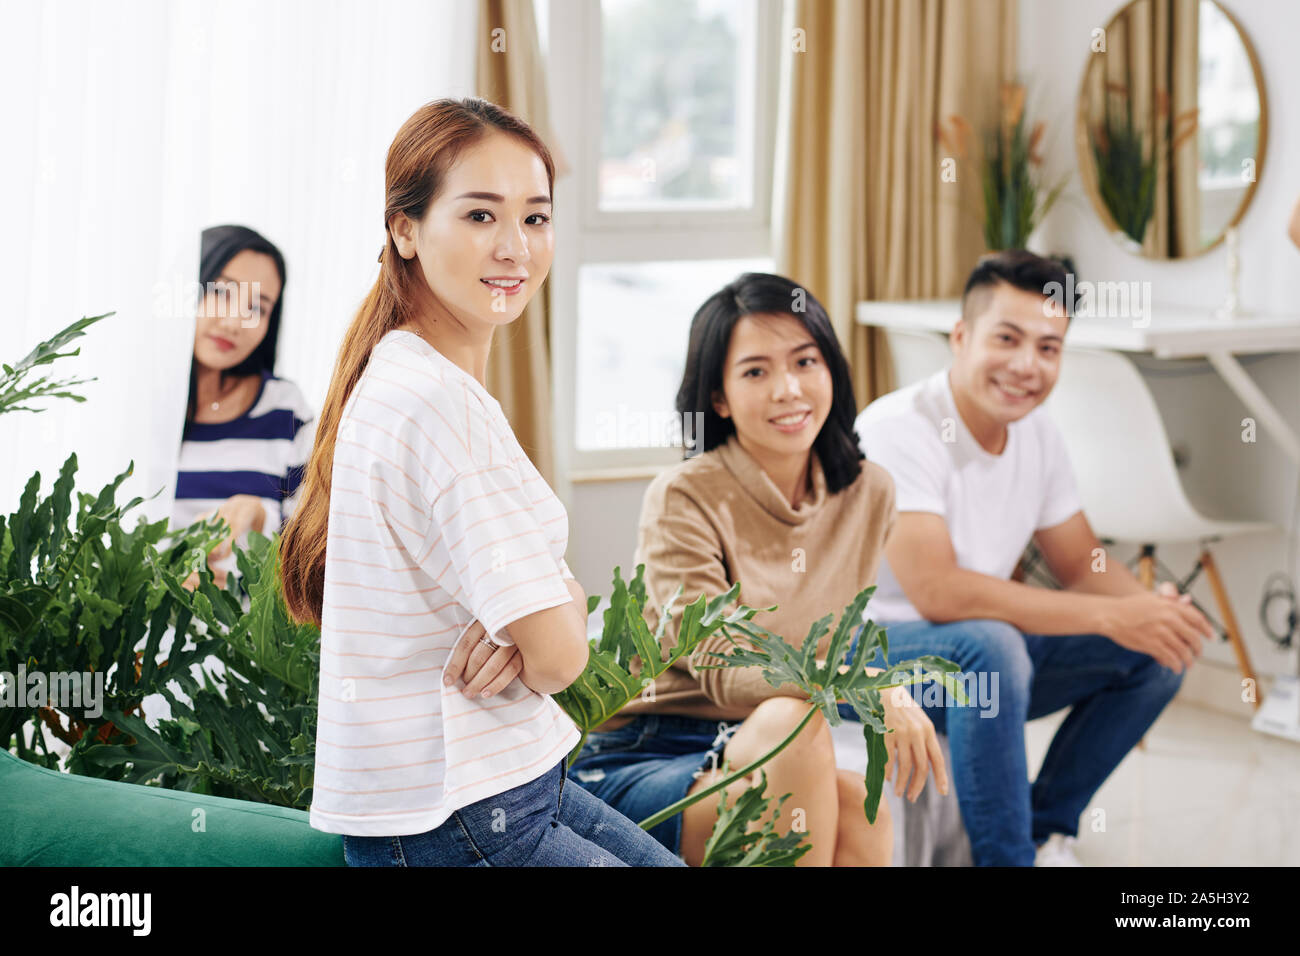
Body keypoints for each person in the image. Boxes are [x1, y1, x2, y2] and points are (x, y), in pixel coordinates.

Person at [278, 97, 683, 867]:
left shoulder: (406, 374)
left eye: (536, 218)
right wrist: (548, 611)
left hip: (507, 777)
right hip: (457, 808)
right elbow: (562, 658)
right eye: (479, 217)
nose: (515, 249)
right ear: (405, 230)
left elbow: (534, 636)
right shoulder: (436, 404)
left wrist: (529, 621)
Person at [569, 273, 948, 866]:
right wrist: (869, 684)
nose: (788, 389)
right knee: (792, 722)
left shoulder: (870, 492)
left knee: (860, 809)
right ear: (718, 397)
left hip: (766, 746)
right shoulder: (684, 497)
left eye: (805, 361)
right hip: (644, 754)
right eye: (755, 372)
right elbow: (723, 669)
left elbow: (823, 642)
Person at [854, 249, 1214, 867]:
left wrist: (1148, 610)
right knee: (990, 645)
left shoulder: (1038, 432)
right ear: (962, 337)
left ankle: (1045, 831)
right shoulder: (898, 429)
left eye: (1049, 348)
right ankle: (1005, 860)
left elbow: (1082, 563)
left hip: (980, 658)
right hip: (874, 664)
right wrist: (1106, 618)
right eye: (1008, 339)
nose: (1027, 365)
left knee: (1156, 651)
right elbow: (937, 592)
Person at [174, 224, 314, 589]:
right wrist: (164, 576)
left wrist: (258, 515)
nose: (235, 320)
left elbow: (314, 553)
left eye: (257, 306)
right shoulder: (136, 408)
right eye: (220, 292)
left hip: (243, 643)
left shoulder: (284, 411)